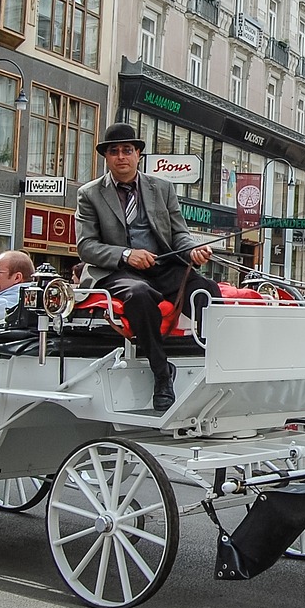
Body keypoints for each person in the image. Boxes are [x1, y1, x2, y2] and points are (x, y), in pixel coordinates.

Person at [76, 123, 221, 412]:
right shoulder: (90, 194)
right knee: (139, 293)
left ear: (138, 154)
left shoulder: (162, 188)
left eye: (127, 150)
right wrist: (126, 254)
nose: (121, 157)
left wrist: (192, 249)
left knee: (206, 290)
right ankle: (161, 373)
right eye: (114, 151)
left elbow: (178, 233)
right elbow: (86, 246)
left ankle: (215, 362)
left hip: (162, 265)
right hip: (117, 271)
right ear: (106, 156)